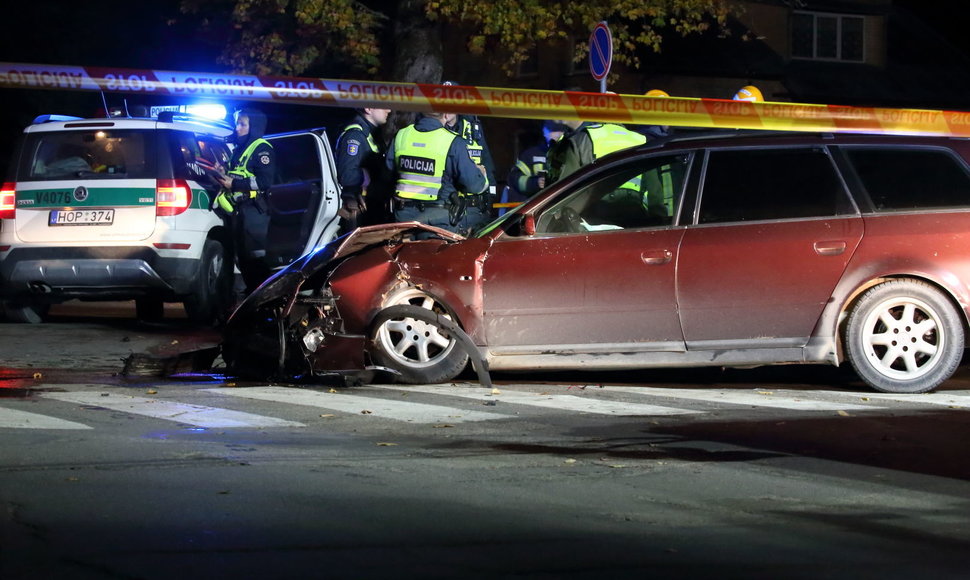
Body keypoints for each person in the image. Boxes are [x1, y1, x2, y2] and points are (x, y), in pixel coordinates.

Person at [386, 111, 487, 236]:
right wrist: (481, 174)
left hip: (404, 219)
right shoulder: (453, 141)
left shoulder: (401, 135)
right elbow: (474, 185)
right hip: (437, 222)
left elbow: (388, 174)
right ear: (445, 115)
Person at [214, 108, 275, 294]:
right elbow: (237, 175)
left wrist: (235, 183)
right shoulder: (239, 149)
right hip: (239, 210)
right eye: (237, 123)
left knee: (256, 258)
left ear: (253, 127)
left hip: (254, 210)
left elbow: (265, 182)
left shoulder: (262, 148)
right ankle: (252, 299)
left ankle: (264, 301)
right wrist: (222, 173)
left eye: (242, 124)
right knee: (243, 258)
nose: (237, 128)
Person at [441, 81, 498, 231]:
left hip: (473, 210)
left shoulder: (473, 128)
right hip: (443, 208)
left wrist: (490, 200)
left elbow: (487, 162)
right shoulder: (430, 130)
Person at [335, 107, 392, 232]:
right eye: (383, 106)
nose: (388, 110)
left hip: (373, 207)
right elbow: (347, 175)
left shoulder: (373, 134)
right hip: (361, 211)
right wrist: (369, 174)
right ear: (368, 108)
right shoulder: (355, 135)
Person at [546, 118, 646, 183]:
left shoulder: (583, 139)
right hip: (640, 209)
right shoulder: (640, 139)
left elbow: (566, 185)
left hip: (596, 209)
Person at [504, 120, 566, 205]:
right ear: (544, 131)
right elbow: (515, 178)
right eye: (553, 130)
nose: (558, 134)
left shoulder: (569, 152)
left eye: (561, 130)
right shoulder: (531, 155)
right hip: (538, 206)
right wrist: (535, 183)